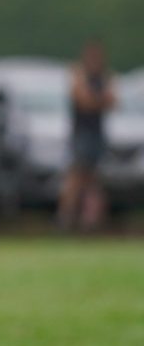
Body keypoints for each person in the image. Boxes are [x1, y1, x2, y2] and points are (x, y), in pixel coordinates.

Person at [57, 39, 115, 232]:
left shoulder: (104, 76)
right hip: (81, 134)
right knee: (76, 176)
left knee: (94, 179)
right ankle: (65, 219)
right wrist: (99, 100)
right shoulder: (79, 74)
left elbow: (113, 101)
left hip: (98, 134)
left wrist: (95, 100)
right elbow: (84, 100)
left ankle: (90, 222)